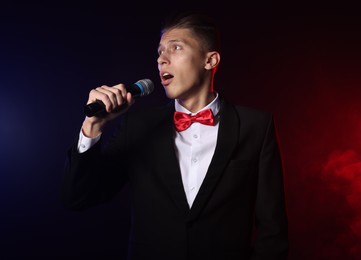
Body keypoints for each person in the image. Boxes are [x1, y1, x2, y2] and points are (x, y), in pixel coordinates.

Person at [62, 11, 289, 260]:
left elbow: (273, 231)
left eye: (176, 48)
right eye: (160, 52)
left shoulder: (255, 126)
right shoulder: (137, 126)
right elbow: (79, 198)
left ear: (210, 61)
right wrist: (93, 125)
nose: (162, 60)